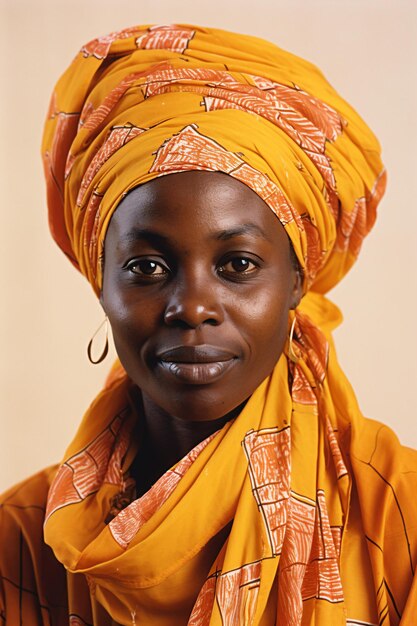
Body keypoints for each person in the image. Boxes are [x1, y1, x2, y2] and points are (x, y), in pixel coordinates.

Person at [0, 23, 416, 626]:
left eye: (238, 264)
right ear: (102, 283)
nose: (192, 306)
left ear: (297, 279)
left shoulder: (394, 516)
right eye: (146, 266)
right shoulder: (22, 548)